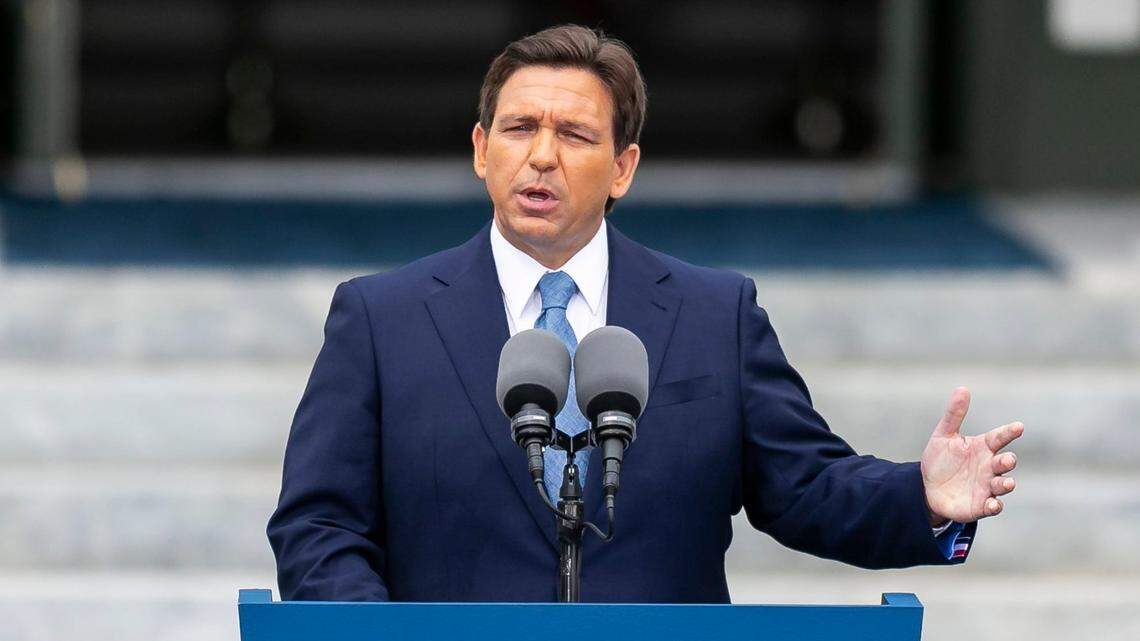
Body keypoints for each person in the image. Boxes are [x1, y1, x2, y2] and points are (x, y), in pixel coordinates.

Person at [267, 24, 1024, 603]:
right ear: (480, 149)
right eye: (520, 128)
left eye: (574, 135)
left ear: (623, 166)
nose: (540, 156)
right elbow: (318, 526)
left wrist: (920, 497)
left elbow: (804, 487)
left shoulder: (712, 314)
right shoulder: (380, 318)